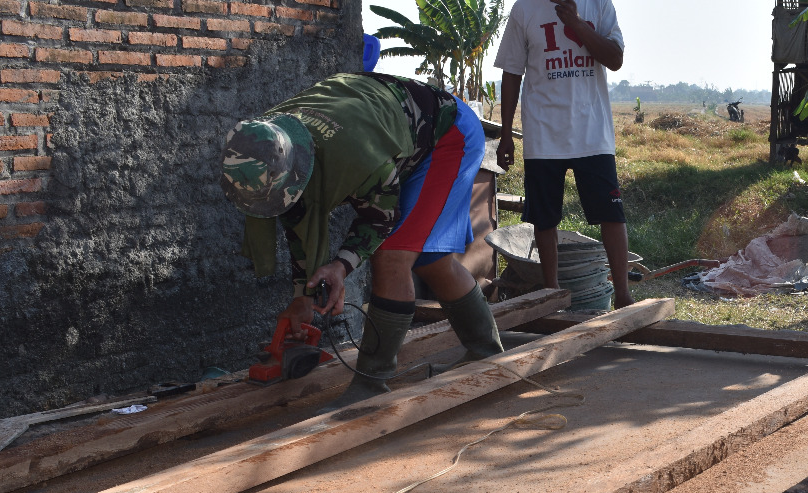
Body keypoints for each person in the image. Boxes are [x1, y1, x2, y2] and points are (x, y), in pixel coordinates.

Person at [221, 72, 503, 398]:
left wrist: (340, 267)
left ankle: (370, 385)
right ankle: (486, 354)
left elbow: (380, 222)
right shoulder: (264, 141)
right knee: (430, 258)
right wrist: (303, 298)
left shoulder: (356, 155)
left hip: (448, 132)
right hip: (396, 133)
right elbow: (299, 220)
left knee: (393, 256)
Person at [494, 0, 634, 309]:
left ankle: (623, 297)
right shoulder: (525, 9)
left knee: (611, 213)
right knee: (544, 218)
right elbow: (512, 72)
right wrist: (506, 134)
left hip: (592, 133)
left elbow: (615, 59)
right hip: (544, 133)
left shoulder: (598, 5)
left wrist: (577, 23)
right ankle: (551, 293)